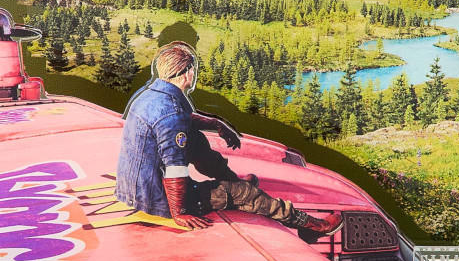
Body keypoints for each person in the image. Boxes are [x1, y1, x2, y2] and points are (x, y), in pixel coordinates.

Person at [116, 42, 342, 240]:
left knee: (195, 138)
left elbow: (182, 120)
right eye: (193, 70)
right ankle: (311, 226)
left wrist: (215, 123)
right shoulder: (170, 114)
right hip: (159, 199)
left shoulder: (152, 95)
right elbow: (174, 168)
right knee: (246, 195)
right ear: (187, 73)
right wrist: (180, 212)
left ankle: (232, 182)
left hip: (137, 190)